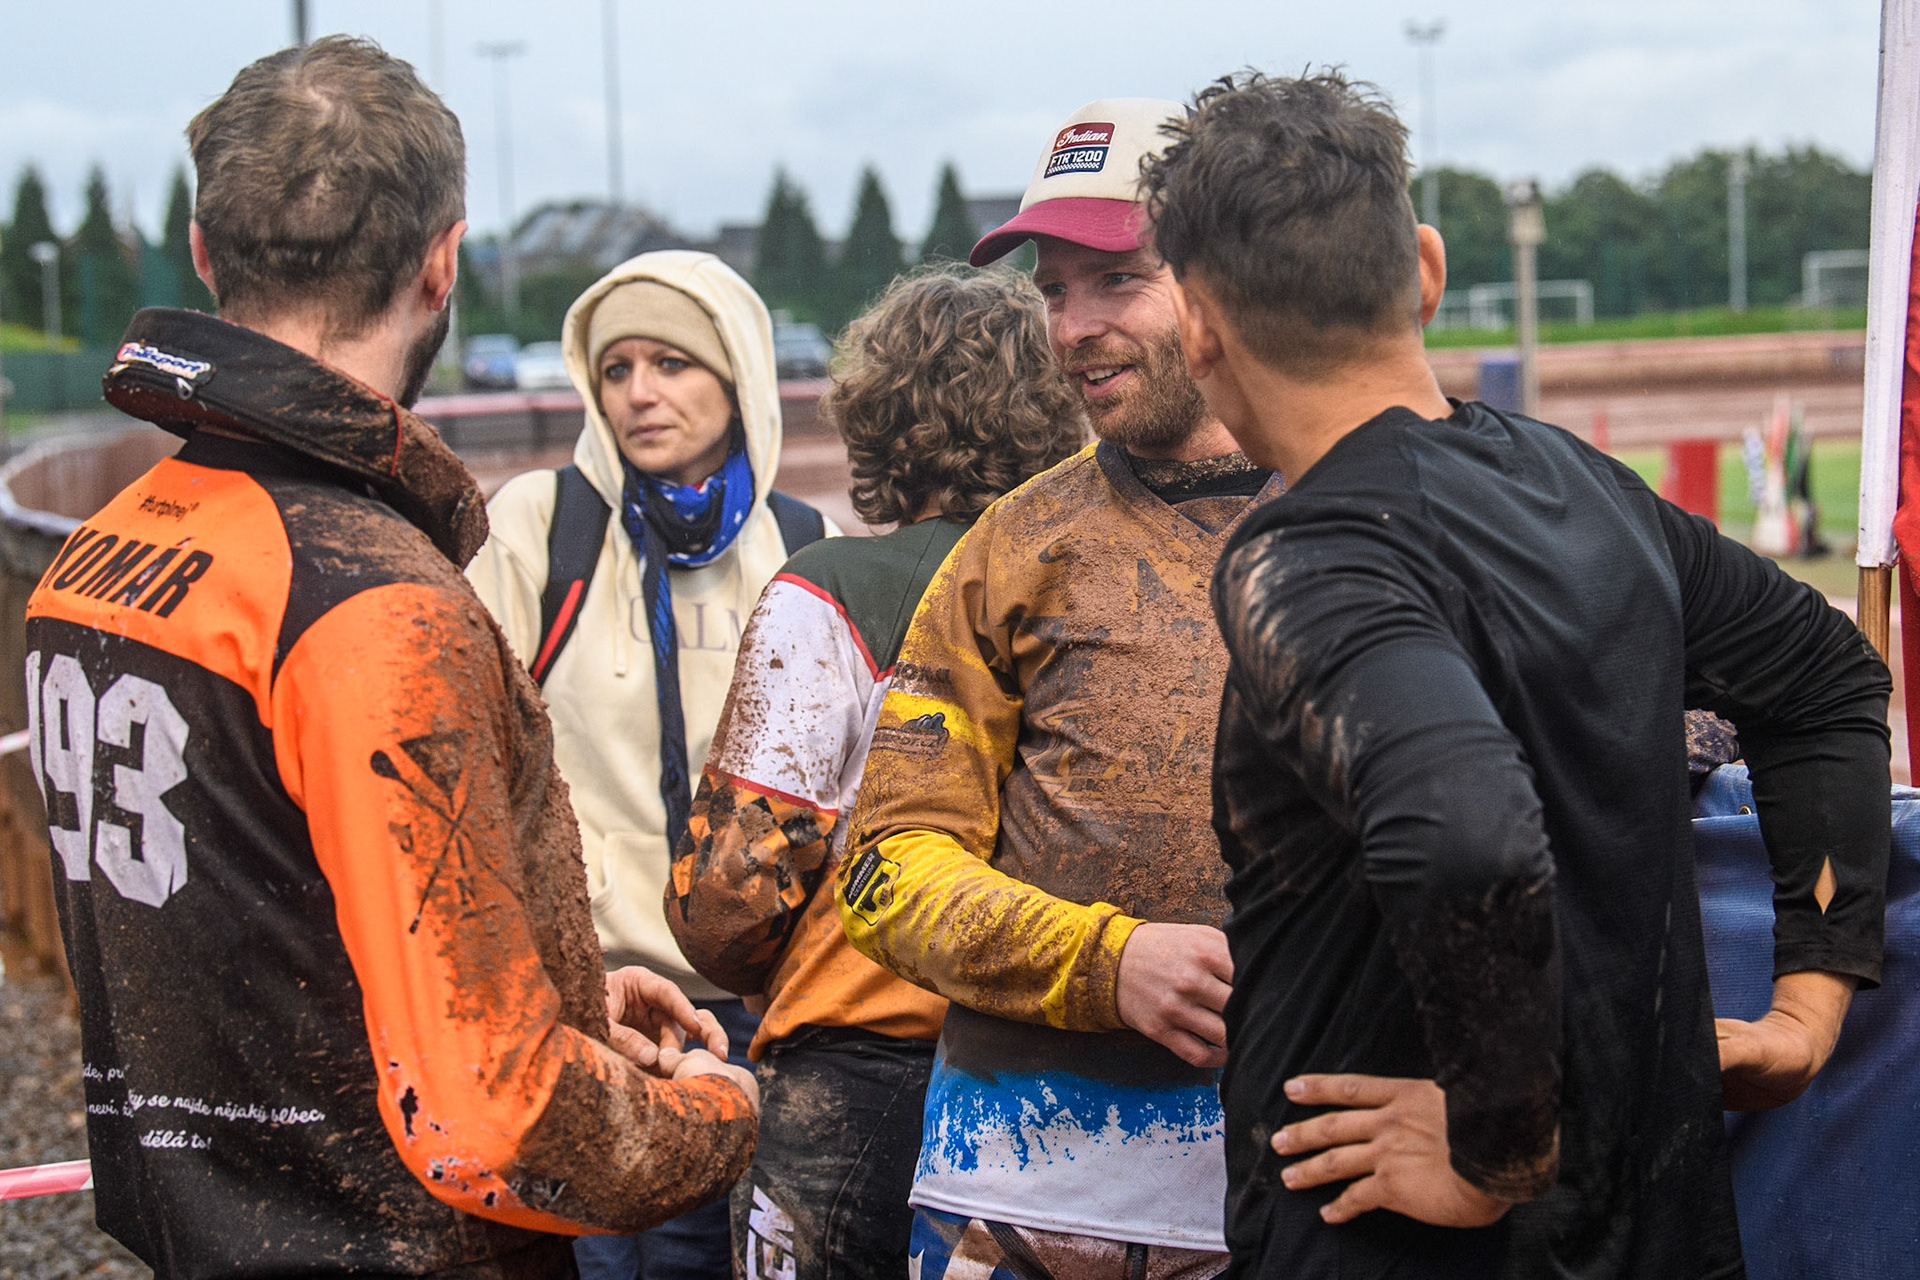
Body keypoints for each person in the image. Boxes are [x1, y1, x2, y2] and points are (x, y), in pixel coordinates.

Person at [24, 37, 758, 1278]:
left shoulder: (94, 556)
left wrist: (569, 986)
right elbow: (493, 1112)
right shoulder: (370, 598)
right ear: (443, 260)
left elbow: (277, 919)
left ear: (207, 254)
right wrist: (713, 1117)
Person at [1143, 70, 1891, 1277]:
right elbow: (1830, 681)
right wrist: (1806, 1012)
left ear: (1198, 326)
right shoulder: (1585, 486)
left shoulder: (1308, 555)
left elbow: (1468, 835)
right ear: (1428, 270)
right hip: (1661, 1231)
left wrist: (1499, 1151)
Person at [836, 100, 1285, 1279]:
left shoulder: (1380, 507)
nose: (1072, 328)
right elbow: (885, 867)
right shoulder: (1012, 546)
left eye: (1116, 281)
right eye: (1052, 290)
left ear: (1217, 277)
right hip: (1020, 1205)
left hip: (1313, 1199)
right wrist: (1105, 960)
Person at [665, 267, 1085, 1280]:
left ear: (881, 414)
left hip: (856, 1075)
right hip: (1061, 1072)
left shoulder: (833, 590)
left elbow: (727, 898)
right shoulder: (1100, 587)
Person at [468, 248, 829, 1280]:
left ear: (736, 377)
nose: (640, 391)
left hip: (754, 1010)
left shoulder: (802, 543)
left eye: (672, 362)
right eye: (617, 365)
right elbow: (475, 753)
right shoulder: (542, 529)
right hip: (588, 1003)